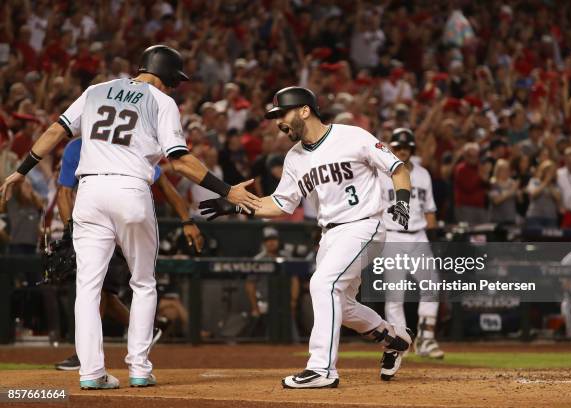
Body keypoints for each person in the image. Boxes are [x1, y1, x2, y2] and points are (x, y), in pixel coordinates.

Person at [0, 45, 260, 390]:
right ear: (166, 76)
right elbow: (179, 160)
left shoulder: (95, 91)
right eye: (173, 81)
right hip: (130, 190)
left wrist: (20, 170)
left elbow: (54, 131)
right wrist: (227, 191)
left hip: (89, 192)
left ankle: (91, 373)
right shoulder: (161, 101)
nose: (173, 87)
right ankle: (139, 368)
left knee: (87, 288)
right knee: (143, 282)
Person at [199, 86, 414, 389]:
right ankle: (395, 337)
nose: (278, 122)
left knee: (323, 284)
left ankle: (322, 369)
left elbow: (398, 168)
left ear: (304, 110)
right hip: (330, 235)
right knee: (342, 304)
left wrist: (402, 201)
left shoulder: (352, 136)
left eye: (282, 114)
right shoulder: (295, 157)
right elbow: (280, 204)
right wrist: (236, 205)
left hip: (364, 225)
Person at [54, 136, 204, 371]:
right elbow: (63, 194)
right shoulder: (79, 146)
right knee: (104, 290)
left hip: (122, 225)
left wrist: (187, 219)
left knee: (98, 289)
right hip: (101, 222)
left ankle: (85, 357)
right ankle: (143, 334)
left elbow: (165, 185)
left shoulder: (123, 144)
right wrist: (71, 232)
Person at [379, 128, 444, 365]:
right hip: (393, 237)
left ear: (412, 149)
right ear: (391, 148)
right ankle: (401, 341)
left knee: (431, 286)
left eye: (406, 147)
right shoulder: (381, 173)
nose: (402, 150)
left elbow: (430, 212)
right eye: (398, 147)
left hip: (418, 236)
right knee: (395, 294)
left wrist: (434, 232)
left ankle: (426, 339)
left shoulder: (424, 174)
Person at [525, 160, 560, 228]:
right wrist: (545, 182)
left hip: (551, 217)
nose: (550, 173)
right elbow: (533, 194)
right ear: (543, 171)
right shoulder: (534, 181)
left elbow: (558, 198)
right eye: (548, 170)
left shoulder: (556, 184)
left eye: (552, 171)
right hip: (535, 217)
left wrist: (550, 185)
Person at [488, 159, 519, 224]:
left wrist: (519, 194)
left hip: (511, 218)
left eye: (508, 170)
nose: (506, 172)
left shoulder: (512, 183)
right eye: (503, 170)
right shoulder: (493, 183)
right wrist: (511, 191)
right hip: (497, 219)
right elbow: (496, 201)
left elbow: (519, 200)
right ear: (498, 170)